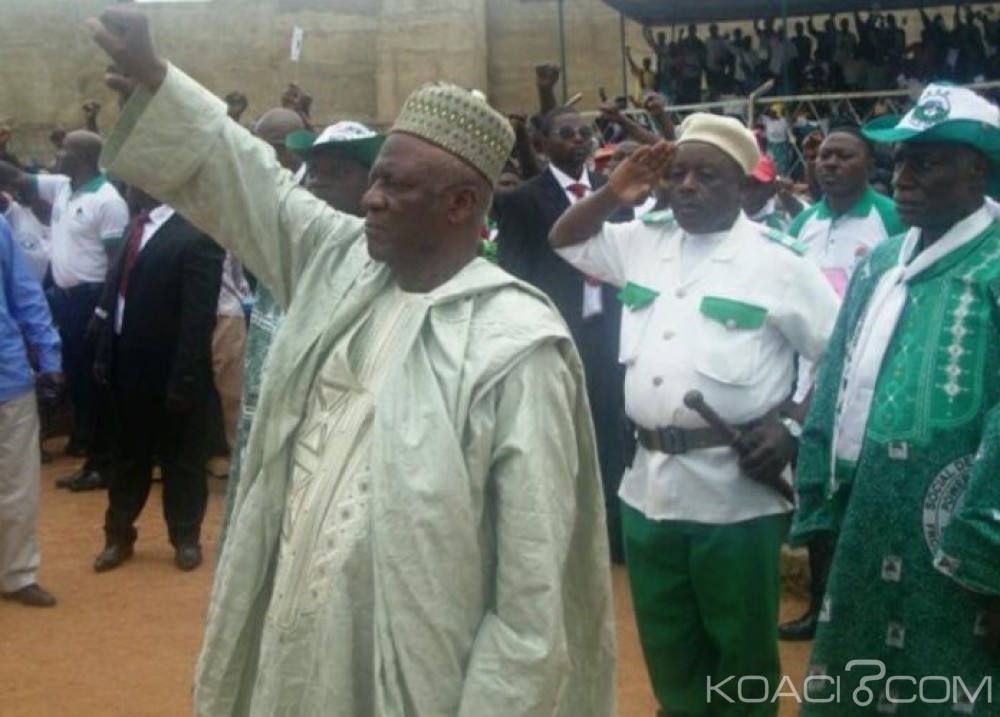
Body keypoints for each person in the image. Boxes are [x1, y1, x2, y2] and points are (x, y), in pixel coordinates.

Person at [89, 8, 615, 716]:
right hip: (293, 646)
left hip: (416, 675)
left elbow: (531, 594)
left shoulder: (515, 347)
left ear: (461, 203)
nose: (369, 197)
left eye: (394, 185)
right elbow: (254, 183)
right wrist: (159, 78)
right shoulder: (338, 263)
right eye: (374, 180)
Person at [550, 114, 840, 716]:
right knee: (669, 650)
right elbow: (567, 240)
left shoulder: (778, 261)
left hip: (734, 493)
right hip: (648, 489)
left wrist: (792, 425)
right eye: (678, 173)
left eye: (707, 176)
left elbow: (839, 353)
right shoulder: (641, 239)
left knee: (740, 656)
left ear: (743, 186)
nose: (687, 186)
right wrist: (613, 192)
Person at [793, 83, 1000, 714]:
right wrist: (819, 494)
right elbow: (835, 376)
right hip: (868, 520)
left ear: (978, 171)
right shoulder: (880, 263)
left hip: (959, 543)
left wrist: (991, 556)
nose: (904, 179)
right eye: (901, 162)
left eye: (928, 164)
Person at [221, 120, 385, 541]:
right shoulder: (286, 251)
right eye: (313, 171)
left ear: (372, 184)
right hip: (270, 432)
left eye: (337, 173)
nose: (317, 183)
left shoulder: (387, 267)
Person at [496, 106, 632, 564]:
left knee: (612, 429)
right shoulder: (521, 201)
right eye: (566, 133)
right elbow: (515, 273)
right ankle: (562, 536)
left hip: (610, 333)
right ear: (542, 144)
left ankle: (612, 533)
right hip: (557, 333)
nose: (577, 139)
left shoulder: (616, 194)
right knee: (558, 433)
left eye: (584, 132)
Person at [91, 188, 224, 573]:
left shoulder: (197, 236)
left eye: (138, 177)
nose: (129, 185)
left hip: (174, 369)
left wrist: (185, 377)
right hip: (127, 365)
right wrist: (104, 351)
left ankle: (185, 538)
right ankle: (118, 536)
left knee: (181, 457)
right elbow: (116, 298)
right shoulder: (135, 228)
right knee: (127, 456)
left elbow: (198, 318)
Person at [0, 131, 129, 491]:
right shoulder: (62, 187)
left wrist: (102, 312)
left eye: (65, 151)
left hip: (92, 301)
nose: (58, 155)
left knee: (96, 383)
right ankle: (88, 450)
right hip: (66, 300)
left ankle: (102, 462)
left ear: (84, 157)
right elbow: (15, 176)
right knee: (79, 381)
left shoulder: (108, 200)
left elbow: (116, 265)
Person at [0, 215, 63, 607]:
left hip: (8, 377)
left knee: (18, 484)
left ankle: (18, 573)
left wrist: (50, 357)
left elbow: (25, 293)